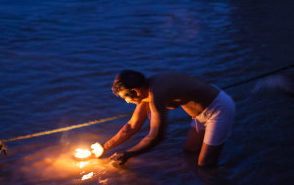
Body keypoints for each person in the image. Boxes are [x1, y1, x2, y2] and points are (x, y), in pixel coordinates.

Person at [92, 71, 235, 167]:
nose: (127, 102)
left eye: (126, 98)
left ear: (135, 90)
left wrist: (128, 154)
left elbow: (157, 136)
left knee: (205, 165)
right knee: (190, 151)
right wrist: (104, 148)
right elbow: (131, 126)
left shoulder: (156, 94)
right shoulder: (146, 92)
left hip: (218, 109)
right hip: (199, 115)